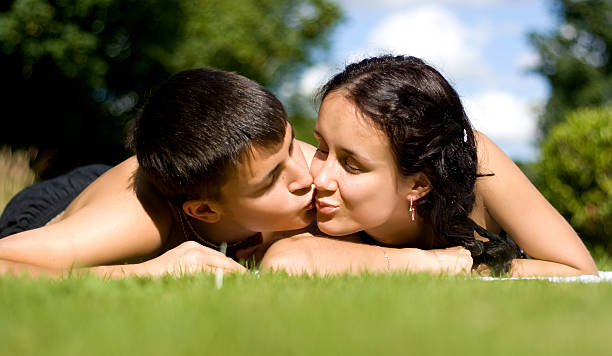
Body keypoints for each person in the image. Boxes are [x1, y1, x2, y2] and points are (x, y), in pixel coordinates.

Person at [261, 55, 598, 277]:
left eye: (352, 165)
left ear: (419, 184)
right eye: (321, 146)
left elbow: (575, 269)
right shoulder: (291, 177)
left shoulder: (476, 163)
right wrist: (436, 264)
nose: (318, 176)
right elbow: (285, 260)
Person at [0, 67, 316, 278]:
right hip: (53, 213)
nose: (305, 178)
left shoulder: (268, 151)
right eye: (272, 179)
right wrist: (148, 271)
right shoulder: (134, 220)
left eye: (291, 146)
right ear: (205, 210)